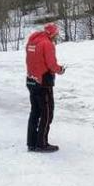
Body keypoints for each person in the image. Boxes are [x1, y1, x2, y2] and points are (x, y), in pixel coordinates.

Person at [25, 23, 65, 153]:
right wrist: (60, 70)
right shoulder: (47, 44)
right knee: (47, 113)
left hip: (31, 80)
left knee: (35, 112)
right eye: (56, 34)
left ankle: (32, 143)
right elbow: (52, 64)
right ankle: (41, 144)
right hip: (43, 83)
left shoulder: (32, 42)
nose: (57, 36)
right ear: (52, 34)